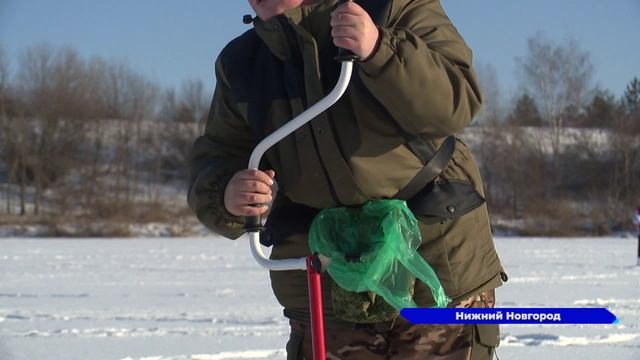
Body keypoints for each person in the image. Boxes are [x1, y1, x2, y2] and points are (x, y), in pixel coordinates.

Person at [188, 0, 507, 358]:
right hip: (325, 290)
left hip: (435, 278)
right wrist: (227, 194)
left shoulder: (393, 7)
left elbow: (457, 101)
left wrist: (380, 49)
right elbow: (216, 158)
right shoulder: (241, 63)